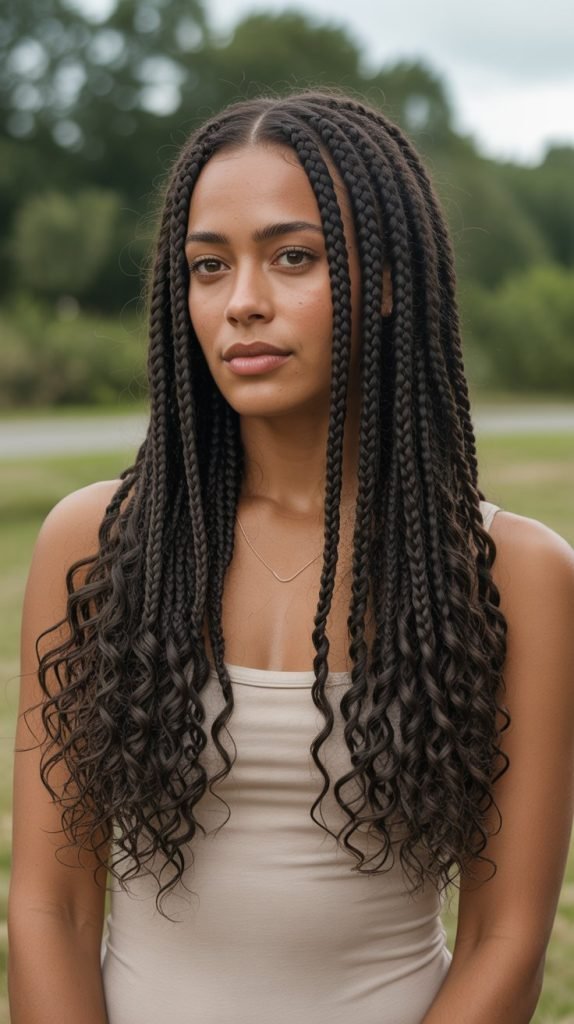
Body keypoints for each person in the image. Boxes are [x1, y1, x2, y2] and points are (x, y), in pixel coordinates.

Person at [8, 90, 574, 1024]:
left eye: (294, 258)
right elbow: (48, 909)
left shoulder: (511, 575)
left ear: (386, 280)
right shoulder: (93, 545)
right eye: (208, 266)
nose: (243, 304)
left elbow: (504, 944)